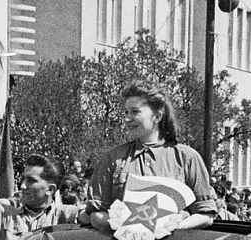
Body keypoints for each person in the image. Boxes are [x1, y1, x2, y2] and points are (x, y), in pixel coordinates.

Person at [86, 83, 217, 231]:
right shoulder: (112, 159)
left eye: (135, 112)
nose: (127, 119)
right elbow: (96, 214)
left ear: (157, 116)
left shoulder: (187, 158)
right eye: (126, 112)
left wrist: (173, 226)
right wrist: (125, 225)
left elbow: (206, 214)